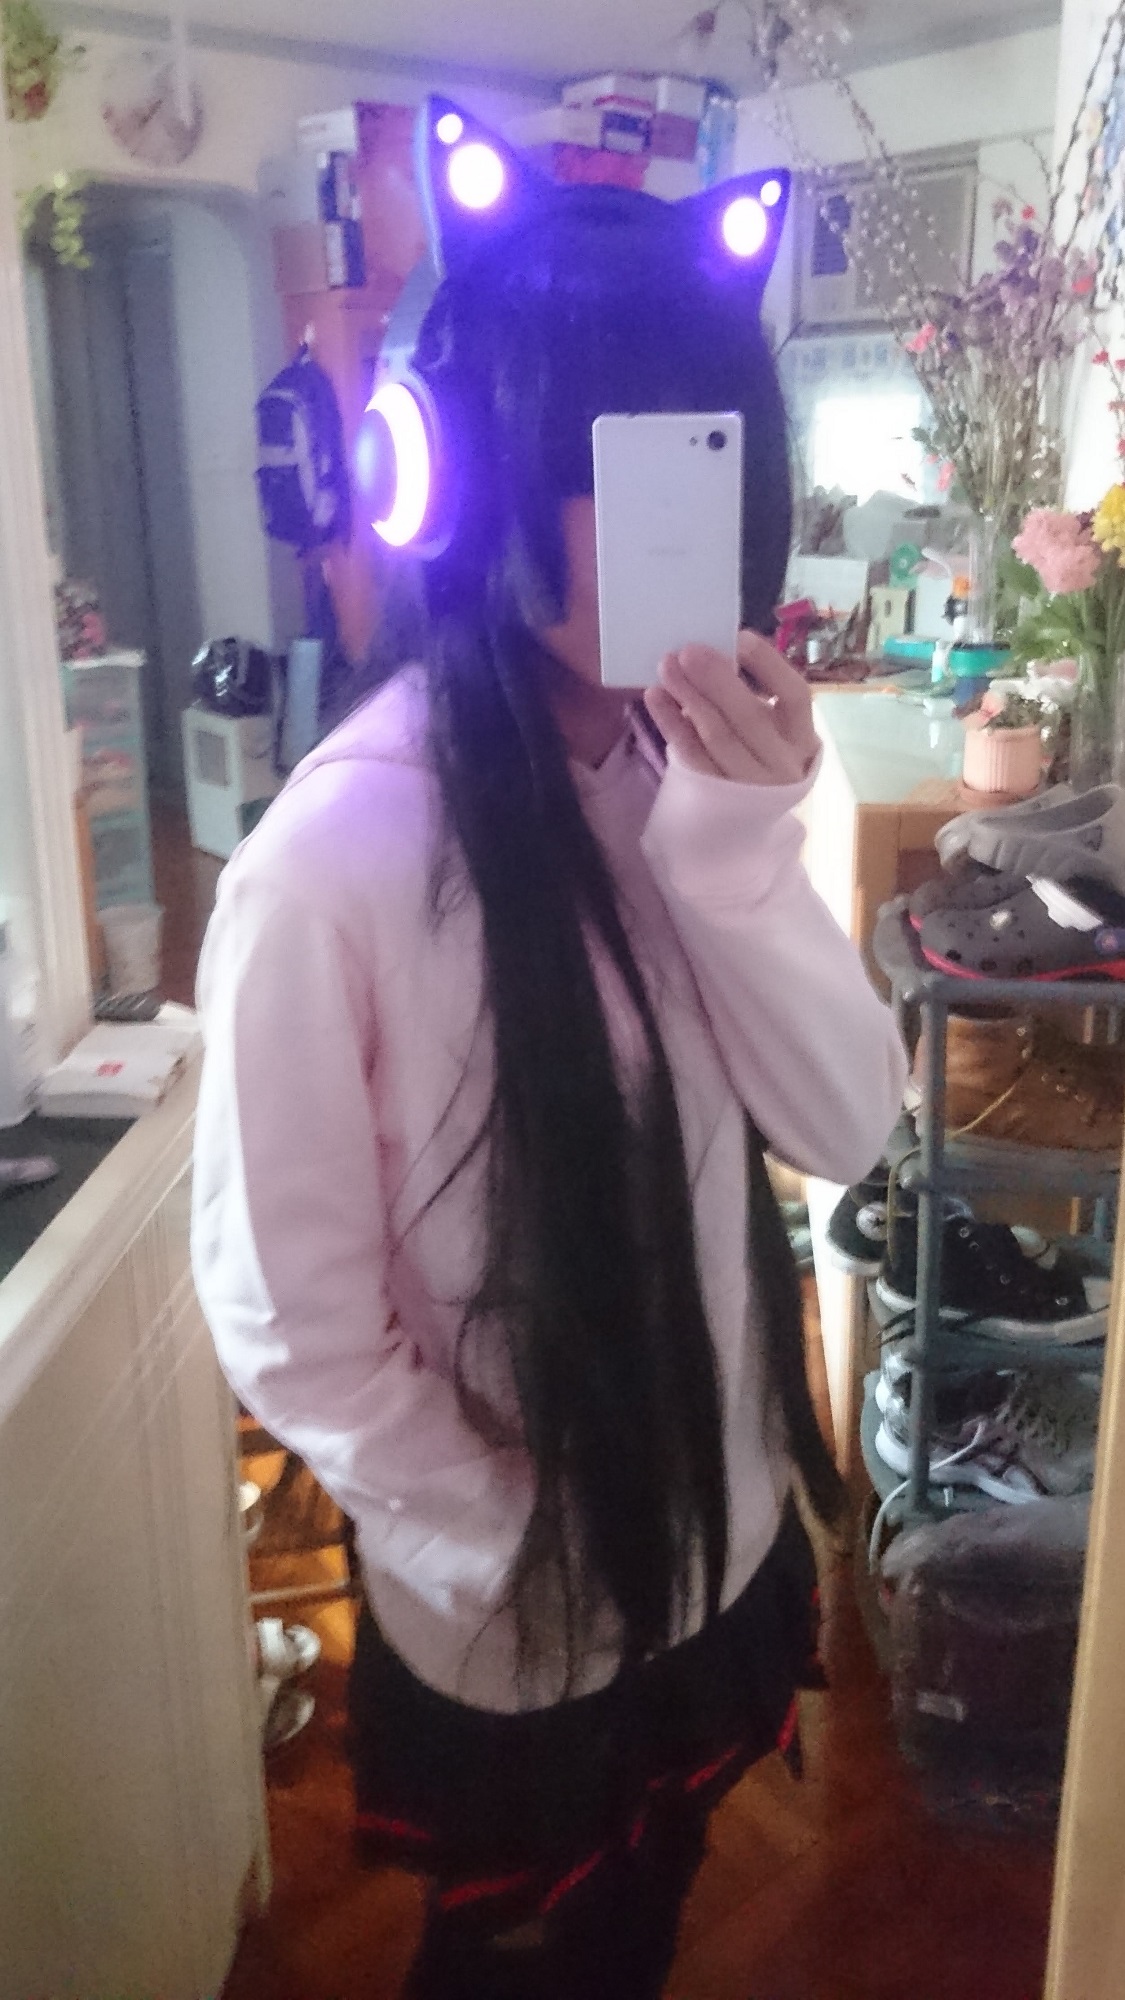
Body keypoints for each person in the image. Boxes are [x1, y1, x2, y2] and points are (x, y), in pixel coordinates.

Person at [192, 100, 907, 2000]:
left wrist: (737, 853)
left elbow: (850, 1130)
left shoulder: (698, 784)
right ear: (464, 474)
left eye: (699, 457)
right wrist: (514, 1535)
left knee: (646, 1927)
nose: (660, 524)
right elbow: (285, 1316)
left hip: (720, 1556)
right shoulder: (331, 865)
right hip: (518, 1621)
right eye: (601, 459)